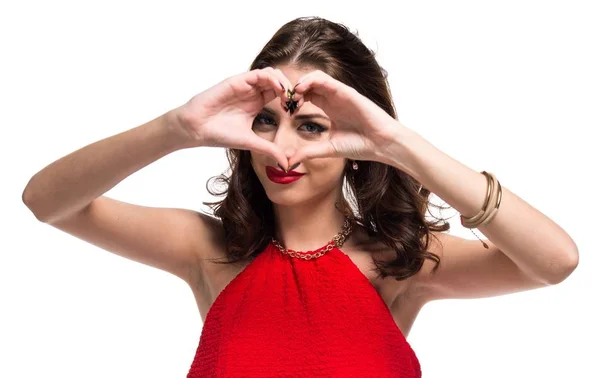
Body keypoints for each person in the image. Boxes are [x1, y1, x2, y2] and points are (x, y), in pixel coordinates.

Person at [21, 16, 579, 377]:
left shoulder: (400, 264)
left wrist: (397, 143)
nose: (281, 149)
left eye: (312, 127)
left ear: (357, 138)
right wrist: (177, 128)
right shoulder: (208, 250)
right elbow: (46, 202)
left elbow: (555, 261)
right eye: (264, 122)